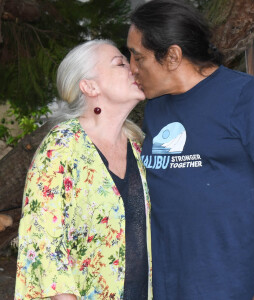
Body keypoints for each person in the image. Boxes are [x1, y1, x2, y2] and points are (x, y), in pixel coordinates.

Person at [127, 1, 254, 299]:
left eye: (138, 57)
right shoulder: (156, 107)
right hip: (170, 289)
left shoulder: (250, 98)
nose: (131, 67)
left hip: (238, 288)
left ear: (172, 56)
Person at [14, 40, 152, 300]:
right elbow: (43, 242)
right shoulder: (61, 147)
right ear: (90, 86)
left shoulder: (139, 147)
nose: (132, 68)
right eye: (120, 63)